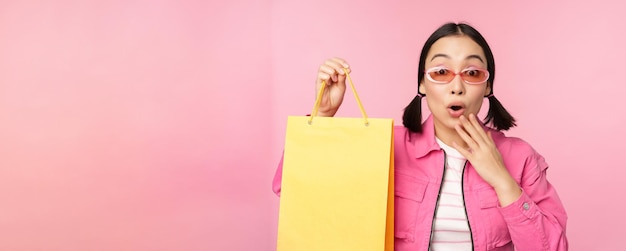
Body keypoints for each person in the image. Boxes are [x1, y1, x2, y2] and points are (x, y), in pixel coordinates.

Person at [272, 22, 568, 250]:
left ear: (487, 86)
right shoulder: (387, 146)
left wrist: (502, 180)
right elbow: (296, 194)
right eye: (441, 72)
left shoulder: (520, 157)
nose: (457, 86)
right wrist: (322, 117)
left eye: (472, 72)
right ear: (422, 85)